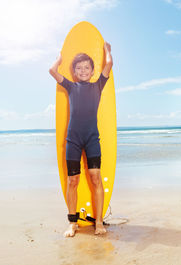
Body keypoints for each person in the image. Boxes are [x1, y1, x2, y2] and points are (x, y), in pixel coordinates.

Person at [49, 42, 113, 237]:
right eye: (79, 68)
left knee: (95, 178)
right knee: (72, 180)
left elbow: (109, 65)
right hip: (73, 139)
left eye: (87, 67)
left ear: (92, 70)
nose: (83, 70)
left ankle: (99, 222)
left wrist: (107, 51)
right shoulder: (70, 85)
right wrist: (60, 57)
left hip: (92, 138)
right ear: (74, 71)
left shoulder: (98, 85)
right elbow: (52, 70)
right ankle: (72, 223)